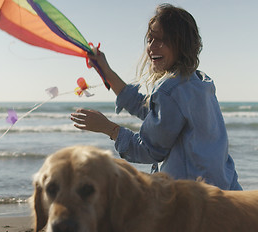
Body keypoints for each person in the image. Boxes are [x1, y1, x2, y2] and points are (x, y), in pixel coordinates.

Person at [70, 4, 242, 190]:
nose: (152, 47)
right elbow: (149, 109)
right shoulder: (198, 81)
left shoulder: (170, 90)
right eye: (150, 39)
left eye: (162, 40)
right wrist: (105, 70)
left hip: (195, 200)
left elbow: (149, 151)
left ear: (182, 44)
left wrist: (108, 128)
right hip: (226, 191)